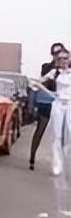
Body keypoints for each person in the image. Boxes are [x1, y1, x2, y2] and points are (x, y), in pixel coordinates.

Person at [30, 42, 66, 170]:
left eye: (60, 52)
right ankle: (32, 157)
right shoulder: (47, 67)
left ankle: (59, 160)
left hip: (61, 104)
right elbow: (43, 82)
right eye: (55, 53)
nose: (58, 56)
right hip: (46, 102)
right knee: (40, 129)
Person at [41, 48, 71, 176]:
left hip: (69, 105)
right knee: (56, 135)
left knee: (69, 134)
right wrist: (50, 93)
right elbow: (40, 81)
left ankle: (65, 160)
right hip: (58, 103)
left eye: (65, 58)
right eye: (60, 58)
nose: (63, 61)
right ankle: (57, 163)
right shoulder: (55, 72)